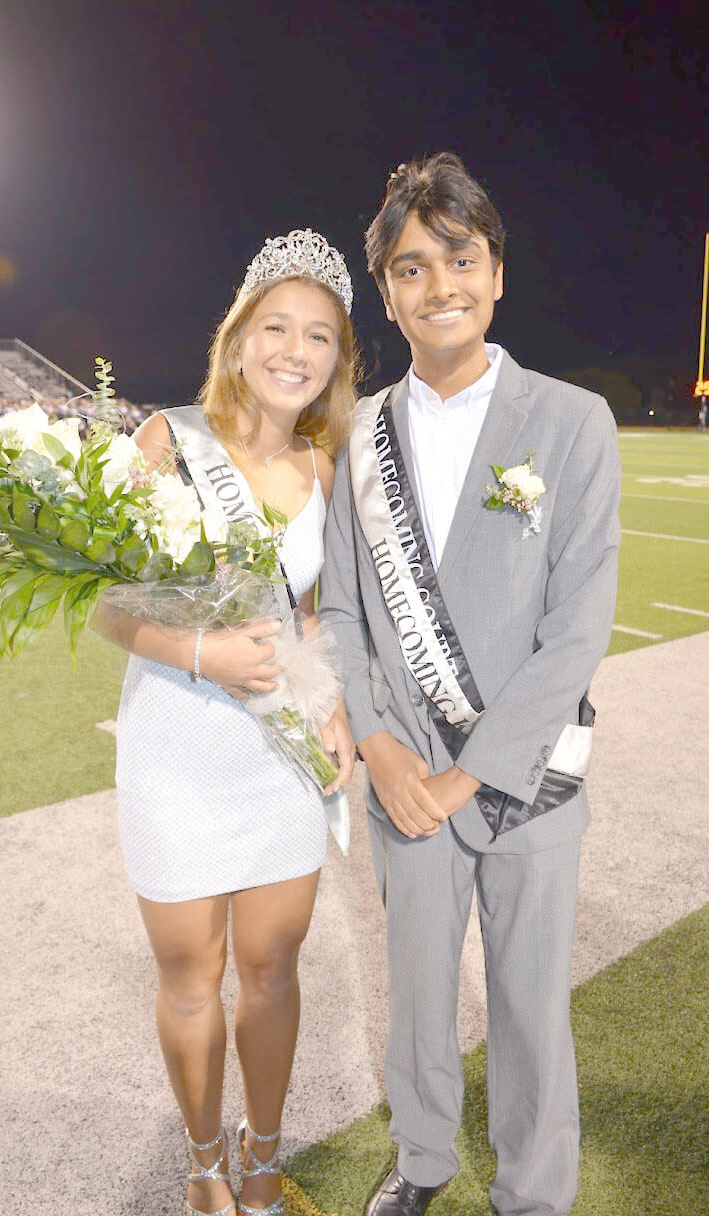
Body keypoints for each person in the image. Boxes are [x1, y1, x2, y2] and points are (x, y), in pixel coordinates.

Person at [319, 154, 621, 1216]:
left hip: (525, 779)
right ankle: (423, 1160)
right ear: (387, 291)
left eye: (459, 256)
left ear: (494, 273)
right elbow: (346, 613)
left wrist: (467, 774)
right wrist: (382, 745)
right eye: (411, 266)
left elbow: (577, 628)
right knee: (414, 1001)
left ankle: (534, 1190)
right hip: (402, 779)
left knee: (531, 1003)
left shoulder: (572, 420)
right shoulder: (354, 436)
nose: (438, 282)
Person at [92, 230, 357, 1216]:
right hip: (175, 746)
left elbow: (308, 616)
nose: (295, 350)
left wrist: (326, 709)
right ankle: (201, 1163)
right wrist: (201, 653)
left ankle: (259, 1158)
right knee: (191, 977)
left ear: (336, 359)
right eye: (277, 326)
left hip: (273, 756)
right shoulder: (166, 438)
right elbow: (108, 604)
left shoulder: (323, 471)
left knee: (272, 968)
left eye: (319, 337)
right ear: (239, 334)